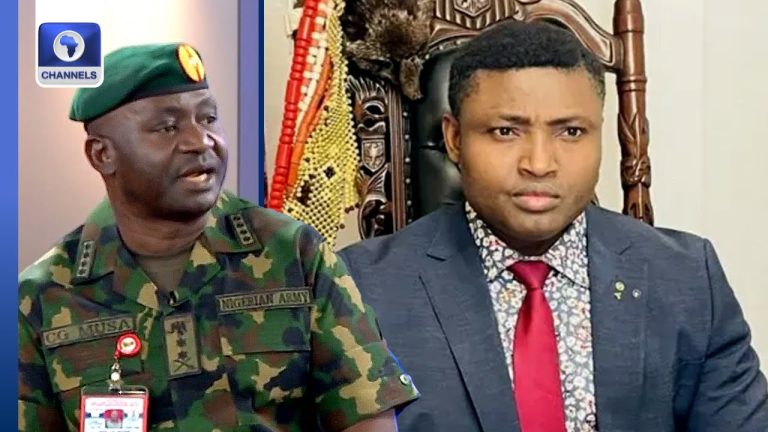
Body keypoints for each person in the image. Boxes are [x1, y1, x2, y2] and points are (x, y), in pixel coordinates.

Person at [339, 20, 768, 432]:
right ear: (454, 139)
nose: (539, 164)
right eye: (505, 131)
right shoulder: (362, 289)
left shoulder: (687, 278)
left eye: (571, 132)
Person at [18, 42, 418, 431]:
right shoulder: (42, 295)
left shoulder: (294, 254)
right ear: (102, 154)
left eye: (208, 119)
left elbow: (368, 418)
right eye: (168, 127)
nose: (200, 141)